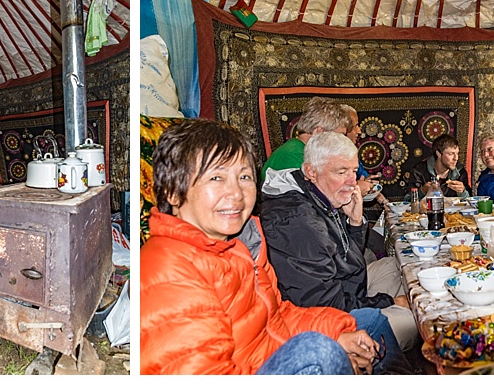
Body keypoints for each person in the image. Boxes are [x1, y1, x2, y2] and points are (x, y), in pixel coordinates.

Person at [140, 119, 377, 375]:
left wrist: (338, 333)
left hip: (265, 355)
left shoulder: (242, 244)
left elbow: (277, 318)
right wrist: (329, 354)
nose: (237, 193)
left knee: (366, 329)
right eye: (216, 177)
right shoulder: (172, 274)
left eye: (244, 176)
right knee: (318, 352)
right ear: (173, 193)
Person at [260, 132, 417, 361]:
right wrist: (391, 302)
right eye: (341, 172)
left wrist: (355, 223)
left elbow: (346, 259)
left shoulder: (318, 194)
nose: (353, 182)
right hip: (326, 317)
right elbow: (329, 306)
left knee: (394, 265)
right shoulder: (298, 221)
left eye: (353, 171)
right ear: (311, 171)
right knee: (416, 322)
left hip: (344, 288)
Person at [405, 135, 471, 196]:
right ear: (438, 154)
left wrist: (463, 192)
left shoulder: (460, 171)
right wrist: (422, 191)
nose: (456, 158)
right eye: (451, 154)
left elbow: (471, 201)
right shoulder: (419, 171)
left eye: (457, 153)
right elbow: (407, 200)